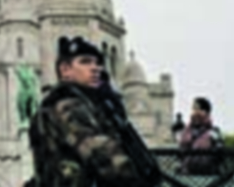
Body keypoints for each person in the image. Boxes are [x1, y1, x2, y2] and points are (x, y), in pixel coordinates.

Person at [28, 36, 160, 187]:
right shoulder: (70, 106)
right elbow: (103, 156)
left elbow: (51, 169)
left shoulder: (55, 107)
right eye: (85, 62)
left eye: (97, 63)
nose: (95, 68)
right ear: (65, 69)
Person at [179, 97, 224, 175]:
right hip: (188, 174)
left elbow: (220, 152)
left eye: (197, 109)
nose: (194, 112)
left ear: (205, 112)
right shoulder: (186, 131)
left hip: (208, 175)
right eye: (193, 109)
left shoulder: (213, 131)